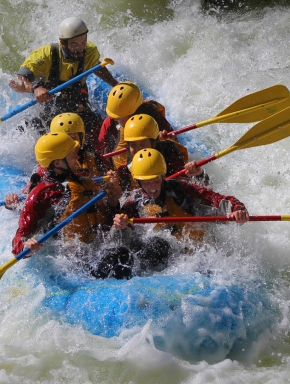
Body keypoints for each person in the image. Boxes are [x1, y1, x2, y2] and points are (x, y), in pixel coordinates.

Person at [112, 148, 248, 268]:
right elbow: (118, 243)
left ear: (162, 176)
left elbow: (216, 199)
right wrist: (120, 227)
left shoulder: (181, 189)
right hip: (167, 264)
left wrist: (236, 209)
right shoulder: (132, 204)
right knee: (156, 244)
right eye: (147, 182)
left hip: (200, 257)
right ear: (138, 181)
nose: (152, 187)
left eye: (156, 180)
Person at [11, 132, 122, 262]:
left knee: (121, 256)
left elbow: (104, 219)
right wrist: (26, 247)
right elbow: (20, 237)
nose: (77, 155)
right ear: (57, 163)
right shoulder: (41, 194)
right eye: (71, 154)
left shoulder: (83, 180)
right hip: (68, 260)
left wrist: (113, 202)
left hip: (97, 249)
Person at [8, 17, 119, 137]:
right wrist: (35, 88)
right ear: (62, 43)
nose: (80, 49)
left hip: (79, 108)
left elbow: (96, 66)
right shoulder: (45, 55)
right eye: (74, 45)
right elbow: (18, 81)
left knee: (104, 134)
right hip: (51, 112)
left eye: (83, 43)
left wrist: (115, 84)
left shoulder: (90, 51)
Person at [4, 113, 108, 210]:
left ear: (81, 137)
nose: (69, 143)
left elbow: (107, 177)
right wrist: (13, 202)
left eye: (73, 138)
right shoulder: (49, 166)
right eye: (64, 139)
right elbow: (29, 195)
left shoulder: (92, 158)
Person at [110, 114, 206, 191]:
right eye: (133, 144)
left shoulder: (170, 158)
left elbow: (198, 188)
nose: (138, 148)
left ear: (154, 142)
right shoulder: (126, 168)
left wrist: (199, 174)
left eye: (143, 143)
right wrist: (114, 182)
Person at [95, 81, 175, 168]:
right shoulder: (109, 123)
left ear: (134, 111)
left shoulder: (152, 115)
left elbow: (173, 142)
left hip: (152, 164)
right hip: (125, 170)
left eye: (120, 116)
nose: (116, 118)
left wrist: (161, 140)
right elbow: (100, 152)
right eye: (114, 115)